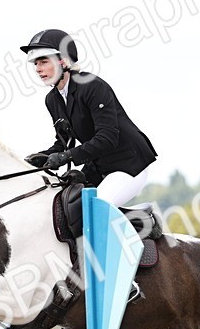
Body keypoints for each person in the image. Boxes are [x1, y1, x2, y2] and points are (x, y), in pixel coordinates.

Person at [21, 29, 158, 207]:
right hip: (99, 166)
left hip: (128, 163)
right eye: (36, 64)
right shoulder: (52, 99)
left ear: (63, 61)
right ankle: (133, 217)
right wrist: (43, 156)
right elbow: (64, 143)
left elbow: (107, 138)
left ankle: (143, 220)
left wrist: (66, 156)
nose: (38, 69)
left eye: (43, 62)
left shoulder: (92, 86)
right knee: (65, 205)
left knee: (97, 207)